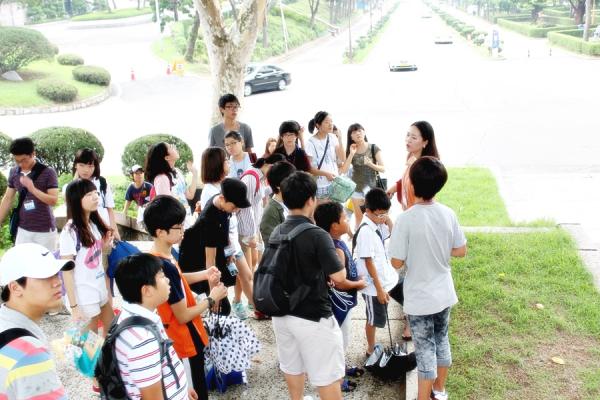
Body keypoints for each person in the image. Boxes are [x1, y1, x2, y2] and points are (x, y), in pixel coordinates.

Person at [389, 157, 467, 400]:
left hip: (419, 298)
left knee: (424, 349)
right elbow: (460, 250)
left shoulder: (405, 219)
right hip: (444, 293)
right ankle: (439, 391)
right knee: (441, 340)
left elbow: (396, 263)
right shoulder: (448, 213)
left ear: (411, 185)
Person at [272, 171, 348, 400]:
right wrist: (341, 262)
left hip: (281, 314)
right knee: (328, 377)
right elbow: (339, 277)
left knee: (293, 366)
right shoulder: (317, 235)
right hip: (313, 316)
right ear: (310, 201)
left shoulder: (278, 230)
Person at [144, 195, 228, 398]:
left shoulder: (159, 256)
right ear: (160, 232)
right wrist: (212, 298)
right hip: (184, 341)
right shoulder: (165, 266)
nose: (183, 230)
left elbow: (179, 279)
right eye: (178, 227)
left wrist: (205, 274)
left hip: (181, 337)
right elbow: (182, 315)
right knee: (195, 391)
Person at [113, 253, 193, 400]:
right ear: (147, 291)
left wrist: (184, 387)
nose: (167, 280)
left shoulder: (136, 316)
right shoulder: (142, 340)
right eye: (162, 276)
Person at [0, 243, 74, 400]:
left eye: (56, 274)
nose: (58, 282)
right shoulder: (28, 353)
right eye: (45, 276)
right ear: (15, 288)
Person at [191, 149, 257, 320]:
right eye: (226, 160)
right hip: (220, 247)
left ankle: (253, 307)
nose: (229, 162)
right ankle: (218, 307)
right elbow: (211, 252)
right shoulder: (210, 193)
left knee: (246, 275)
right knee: (226, 280)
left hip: (230, 244)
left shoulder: (227, 185)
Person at [314, 201, 368, 393]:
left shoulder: (335, 243)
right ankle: (337, 379)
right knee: (339, 341)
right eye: (344, 218)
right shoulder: (335, 249)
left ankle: (341, 368)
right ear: (334, 226)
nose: (348, 220)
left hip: (343, 302)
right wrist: (359, 284)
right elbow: (339, 282)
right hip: (339, 304)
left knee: (342, 339)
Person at [177, 178, 251, 318]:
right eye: (234, 207)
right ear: (222, 198)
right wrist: (213, 296)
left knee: (222, 299)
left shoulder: (222, 203)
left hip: (216, 250)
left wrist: (230, 251)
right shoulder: (210, 220)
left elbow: (226, 229)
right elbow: (209, 261)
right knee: (221, 307)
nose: (236, 210)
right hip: (196, 257)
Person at [60, 179, 114, 335]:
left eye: (96, 192)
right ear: (76, 200)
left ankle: (105, 352)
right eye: (89, 194)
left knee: (111, 327)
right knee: (90, 342)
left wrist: (104, 246)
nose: (95, 197)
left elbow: (92, 256)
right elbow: (67, 271)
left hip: (99, 289)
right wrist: (74, 307)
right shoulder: (70, 231)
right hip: (84, 295)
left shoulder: (93, 224)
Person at [354, 188, 404, 356]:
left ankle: (409, 328)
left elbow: (393, 234)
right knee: (374, 319)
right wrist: (380, 290)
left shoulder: (377, 222)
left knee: (409, 297)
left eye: (386, 213)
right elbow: (368, 262)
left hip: (388, 277)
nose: (383, 217)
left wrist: (387, 219)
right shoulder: (366, 231)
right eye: (380, 214)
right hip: (374, 287)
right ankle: (370, 349)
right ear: (368, 211)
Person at [0, 137, 59, 250]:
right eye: (17, 161)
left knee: (45, 261)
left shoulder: (48, 172)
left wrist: (33, 189)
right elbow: (8, 198)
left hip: (45, 230)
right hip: (23, 229)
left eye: (24, 160)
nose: (20, 164)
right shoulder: (14, 172)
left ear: (33, 154)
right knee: (22, 260)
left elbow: (53, 200)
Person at [237, 154, 285, 272]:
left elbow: (261, 194)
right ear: (270, 165)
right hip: (246, 231)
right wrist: (251, 234)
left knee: (255, 263)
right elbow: (246, 207)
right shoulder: (251, 177)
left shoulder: (260, 176)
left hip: (254, 228)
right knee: (248, 270)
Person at [386, 121, 439, 210]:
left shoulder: (428, 166)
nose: (408, 140)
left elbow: (423, 189)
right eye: (408, 135)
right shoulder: (411, 156)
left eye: (414, 137)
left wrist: (415, 167)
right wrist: (393, 189)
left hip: (419, 211)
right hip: (408, 209)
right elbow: (407, 178)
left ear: (425, 142)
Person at [69, 148, 120, 240]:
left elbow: (109, 209)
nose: (86, 170)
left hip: (104, 231)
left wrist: (115, 231)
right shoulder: (70, 187)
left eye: (90, 166)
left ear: (95, 166)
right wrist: (75, 183)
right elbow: (72, 209)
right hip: (84, 233)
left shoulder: (102, 182)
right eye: (81, 165)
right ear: (76, 165)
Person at [340, 123, 385, 225]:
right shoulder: (351, 150)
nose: (358, 133)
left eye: (360, 131)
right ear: (351, 137)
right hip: (356, 190)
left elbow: (383, 169)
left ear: (364, 132)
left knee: (374, 217)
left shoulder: (373, 148)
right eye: (354, 132)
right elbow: (343, 170)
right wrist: (351, 154)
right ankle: (358, 235)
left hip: (371, 189)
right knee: (359, 218)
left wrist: (370, 164)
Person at [145, 142, 198, 228]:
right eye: (170, 147)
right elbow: (167, 207)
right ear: (167, 157)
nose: (174, 146)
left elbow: (190, 195)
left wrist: (195, 174)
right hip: (176, 224)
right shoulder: (161, 178)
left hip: (187, 219)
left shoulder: (178, 172)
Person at [305, 111, 345, 201]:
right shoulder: (311, 143)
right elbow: (308, 168)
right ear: (318, 125)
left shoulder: (333, 137)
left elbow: (343, 158)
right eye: (327, 122)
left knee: (337, 209)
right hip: (321, 185)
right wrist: (326, 174)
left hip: (336, 183)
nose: (330, 124)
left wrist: (340, 139)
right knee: (323, 210)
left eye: (331, 121)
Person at [260, 161, 296, 243]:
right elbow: (271, 243)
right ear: (278, 186)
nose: (296, 183)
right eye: (291, 180)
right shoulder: (271, 211)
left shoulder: (293, 200)